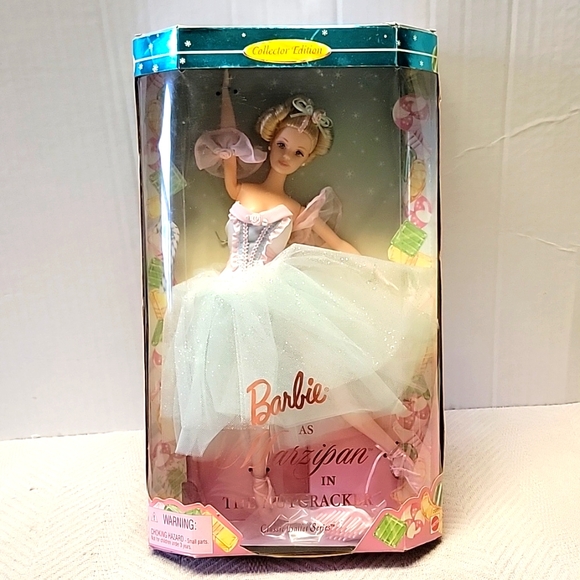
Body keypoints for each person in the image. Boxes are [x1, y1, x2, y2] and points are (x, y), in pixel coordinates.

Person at [161, 71, 435, 505]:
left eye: (298, 152)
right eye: (282, 145)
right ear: (270, 142)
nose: (287, 155)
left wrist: (376, 272)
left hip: (275, 301)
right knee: (254, 400)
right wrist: (225, 91)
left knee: (332, 385)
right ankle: (257, 483)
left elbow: (337, 245)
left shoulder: (296, 207)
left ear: (307, 160)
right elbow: (229, 139)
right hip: (226, 301)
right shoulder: (241, 187)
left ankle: (395, 453)